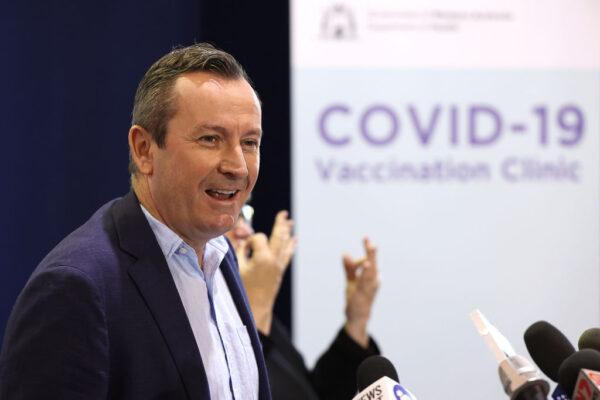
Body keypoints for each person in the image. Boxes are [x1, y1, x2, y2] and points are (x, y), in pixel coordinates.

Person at [0, 44, 271, 400]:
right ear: (144, 149)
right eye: (210, 139)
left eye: (250, 142)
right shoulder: (76, 288)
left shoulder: (221, 254)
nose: (237, 166)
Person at [225, 207, 381, 400]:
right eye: (229, 216)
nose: (245, 231)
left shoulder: (257, 312)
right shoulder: (196, 320)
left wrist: (357, 321)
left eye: (243, 215)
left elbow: (311, 393)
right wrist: (257, 310)